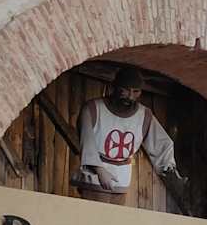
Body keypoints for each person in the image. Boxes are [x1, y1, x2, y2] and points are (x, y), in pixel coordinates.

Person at [71, 65, 187, 204]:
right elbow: (87, 142)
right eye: (125, 90)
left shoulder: (144, 115)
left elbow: (161, 144)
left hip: (121, 181)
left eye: (135, 91)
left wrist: (170, 171)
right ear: (115, 87)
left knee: (116, 218)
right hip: (93, 179)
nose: (130, 96)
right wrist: (99, 170)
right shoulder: (93, 109)